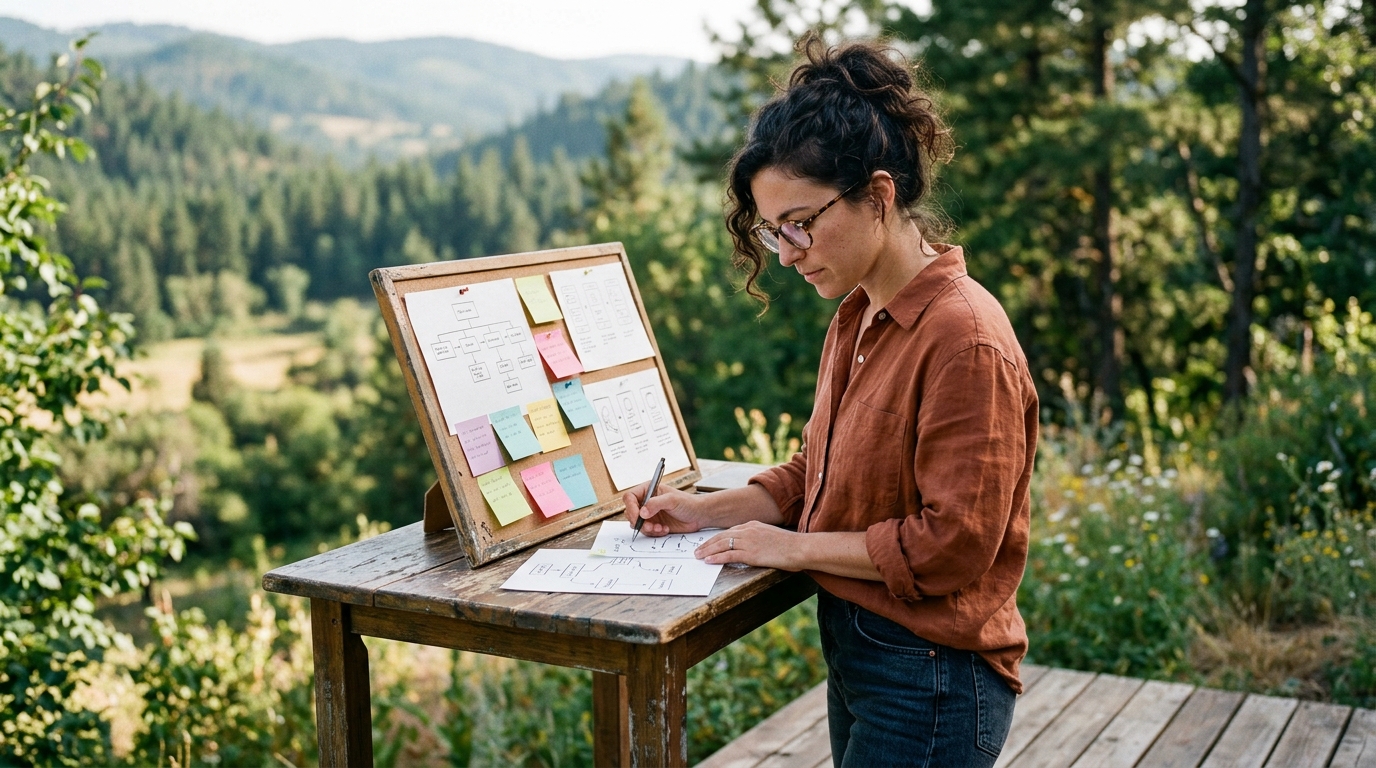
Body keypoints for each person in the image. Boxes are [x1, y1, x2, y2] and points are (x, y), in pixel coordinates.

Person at [623, 34, 1039, 768]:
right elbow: (814, 472)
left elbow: (953, 547)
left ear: (879, 195)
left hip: (933, 677)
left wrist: (788, 550)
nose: (784, 252)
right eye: (770, 229)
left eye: (801, 224)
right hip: (865, 657)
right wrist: (704, 508)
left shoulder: (964, 339)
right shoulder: (856, 316)